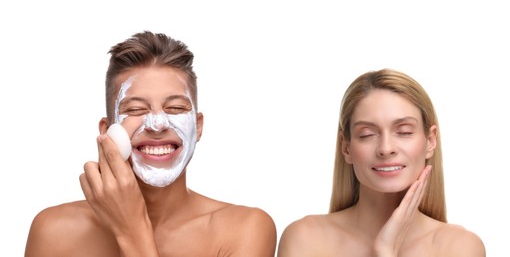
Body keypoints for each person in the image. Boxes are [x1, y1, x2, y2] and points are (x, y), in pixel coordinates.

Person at [25, 31, 277, 257]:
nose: (157, 123)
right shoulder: (54, 232)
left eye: (176, 107)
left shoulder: (244, 229)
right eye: (135, 109)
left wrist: (132, 230)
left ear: (198, 126)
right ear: (106, 131)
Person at [277, 69, 485, 256]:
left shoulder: (460, 247)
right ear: (346, 147)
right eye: (367, 134)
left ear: (430, 141)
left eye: (403, 132)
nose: (386, 148)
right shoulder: (305, 239)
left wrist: (385, 250)